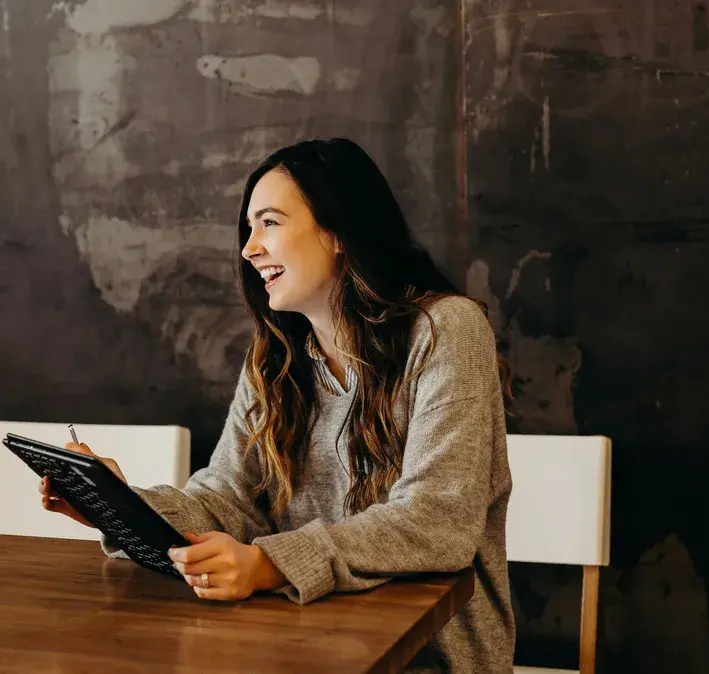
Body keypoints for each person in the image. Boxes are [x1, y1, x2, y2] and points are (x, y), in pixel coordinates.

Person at [39, 138, 516, 673]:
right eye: (248, 228)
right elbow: (227, 501)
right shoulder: (275, 359)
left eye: (269, 222)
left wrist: (268, 564)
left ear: (337, 231)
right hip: (298, 644)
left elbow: (436, 522)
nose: (249, 248)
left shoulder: (445, 331)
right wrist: (121, 507)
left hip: (427, 658)